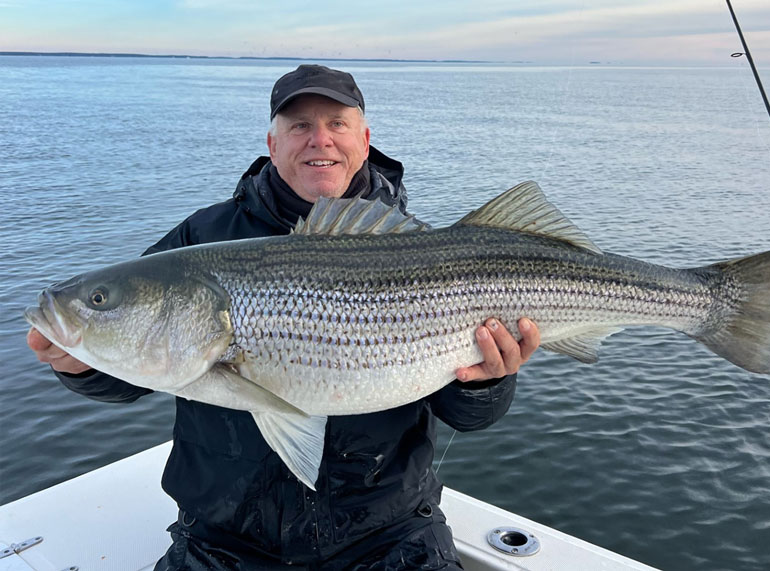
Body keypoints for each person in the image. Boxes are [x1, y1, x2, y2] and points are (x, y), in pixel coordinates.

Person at [27, 64, 540, 570]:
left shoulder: (422, 247)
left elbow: (470, 416)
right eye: (299, 126)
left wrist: (486, 383)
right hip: (223, 537)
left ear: (364, 140)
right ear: (273, 145)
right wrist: (83, 367)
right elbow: (140, 371)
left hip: (390, 534)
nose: (320, 140)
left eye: (336, 124)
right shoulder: (200, 239)